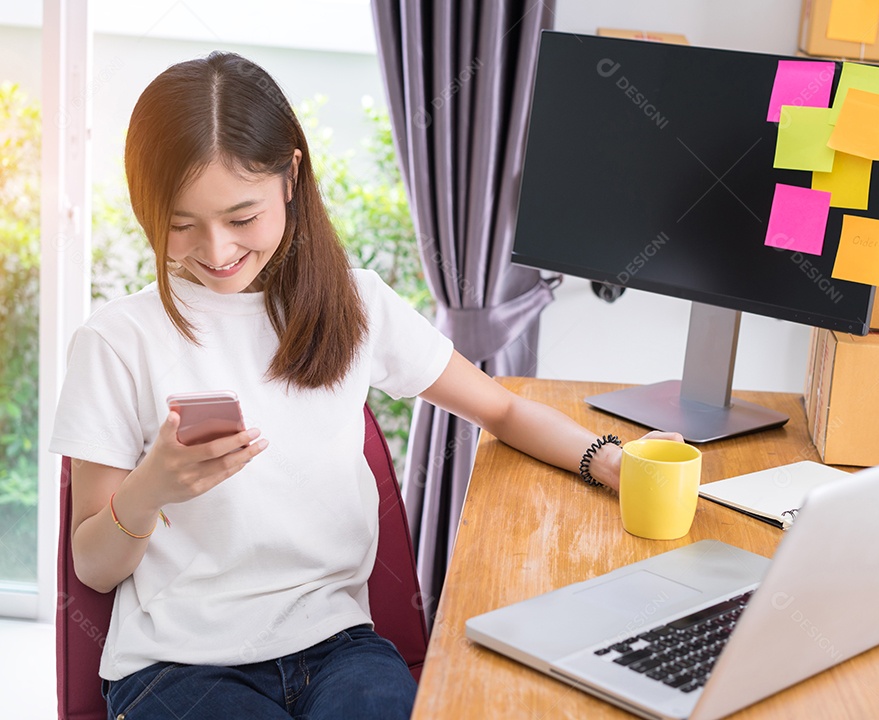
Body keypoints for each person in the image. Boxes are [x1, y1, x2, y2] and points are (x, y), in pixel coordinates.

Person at [49, 51, 679, 719]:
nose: (215, 250)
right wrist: (153, 487)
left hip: (336, 647)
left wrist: (609, 460)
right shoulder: (116, 342)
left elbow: (500, 410)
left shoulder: (353, 304)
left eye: (241, 217)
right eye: (180, 224)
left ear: (291, 175)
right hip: (177, 670)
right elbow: (94, 566)